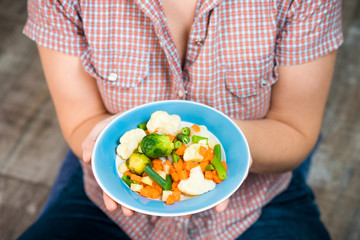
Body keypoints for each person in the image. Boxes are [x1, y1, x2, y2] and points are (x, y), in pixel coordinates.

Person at [19, 0, 343, 239]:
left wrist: (214, 149)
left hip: (256, 204)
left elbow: (296, 132)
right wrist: (107, 141)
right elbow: (81, 121)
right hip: (112, 203)